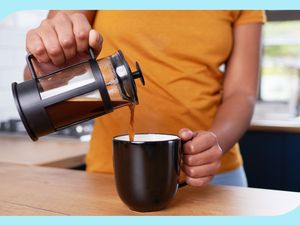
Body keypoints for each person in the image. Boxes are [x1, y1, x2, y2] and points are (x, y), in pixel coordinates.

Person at [25, 10, 265, 187]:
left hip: (212, 174)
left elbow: (241, 93)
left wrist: (216, 144)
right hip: (113, 176)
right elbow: (34, 81)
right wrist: (50, 61)